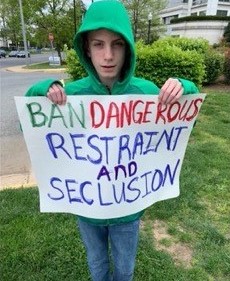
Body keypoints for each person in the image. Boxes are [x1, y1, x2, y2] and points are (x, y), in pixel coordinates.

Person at [25, 1, 199, 280]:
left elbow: (186, 117)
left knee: (125, 269)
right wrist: (45, 88)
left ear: (128, 47)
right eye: (98, 44)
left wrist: (184, 86)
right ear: (86, 49)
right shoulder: (71, 96)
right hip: (87, 210)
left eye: (117, 44)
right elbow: (31, 117)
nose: (108, 55)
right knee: (97, 266)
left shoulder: (146, 93)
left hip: (128, 212)